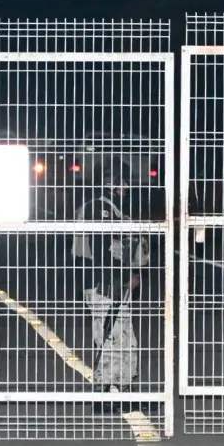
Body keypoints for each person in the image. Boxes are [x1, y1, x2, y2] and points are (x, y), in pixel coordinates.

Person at [71, 164, 151, 413]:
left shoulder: (111, 208)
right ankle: (108, 394)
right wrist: (124, 276)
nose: (126, 187)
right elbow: (100, 249)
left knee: (122, 338)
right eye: (122, 182)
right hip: (104, 285)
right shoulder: (100, 207)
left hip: (111, 284)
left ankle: (121, 391)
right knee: (110, 338)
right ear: (110, 183)